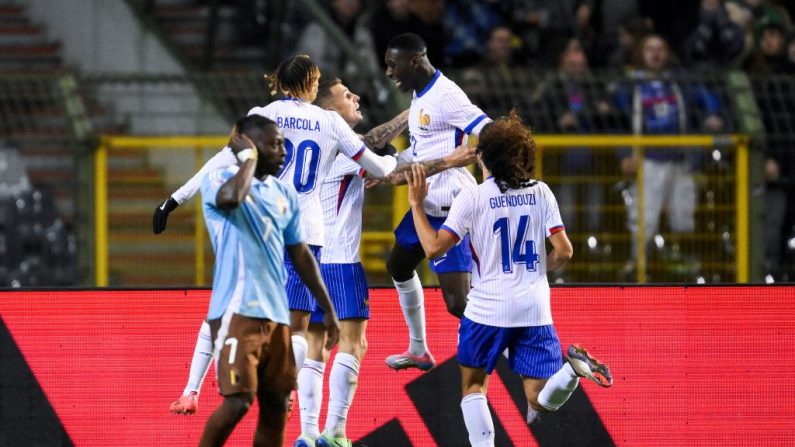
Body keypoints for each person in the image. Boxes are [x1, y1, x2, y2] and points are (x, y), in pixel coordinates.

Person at [159, 55, 400, 414]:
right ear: (312, 84)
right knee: (298, 329)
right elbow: (379, 167)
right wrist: (392, 160)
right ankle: (282, 390)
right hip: (308, 230)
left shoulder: (263, 114)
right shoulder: (330, 121)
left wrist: (174, 199)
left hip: (264, 224)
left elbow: (221, 161)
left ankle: (191, 391)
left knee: (225, 307)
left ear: (282, 82)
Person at [404, 111, 612, 446]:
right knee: (537, 399)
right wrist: (532, 274)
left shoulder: (472, 197)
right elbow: (564, 251)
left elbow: (433, 249)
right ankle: (572, 370)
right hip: (534, 308)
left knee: (473, 386)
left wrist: (416, 204)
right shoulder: (541, 192)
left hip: (488, 309)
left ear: (482, 156)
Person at [294, 78, 477, 447]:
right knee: (353, 342)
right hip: (339, 262)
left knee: (317, 343)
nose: (356, 96)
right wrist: (449, 155)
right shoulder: (344, 148)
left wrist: (410, 120)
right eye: (347, 95)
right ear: (330, 111)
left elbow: (377, 146)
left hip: (306, 257)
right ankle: (336, 432)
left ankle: (308, 435)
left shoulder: (312, 144)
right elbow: (394, 173)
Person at [197, 114, 341, 447]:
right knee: (238, 402)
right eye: (275, 144)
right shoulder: (219, 178)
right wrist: (247, 160)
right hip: (236, 310)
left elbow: (301, 254)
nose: (284, 151)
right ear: (249, 145)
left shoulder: (282, 193)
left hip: (277, 315)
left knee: (277, 407)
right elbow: (230, 199)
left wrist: (327, 307)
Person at [381, 32, 490, 371]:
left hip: (450, 209)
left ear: (414, 61)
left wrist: (490, 182)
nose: (388, 72)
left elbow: (487, 129)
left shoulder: (446, 95)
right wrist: (393, 163)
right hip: (425, 206)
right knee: (398, 265)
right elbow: (424, 149)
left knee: (458, 303)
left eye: (392, 65)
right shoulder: (419, 96)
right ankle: (418, 350)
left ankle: (502, 350)